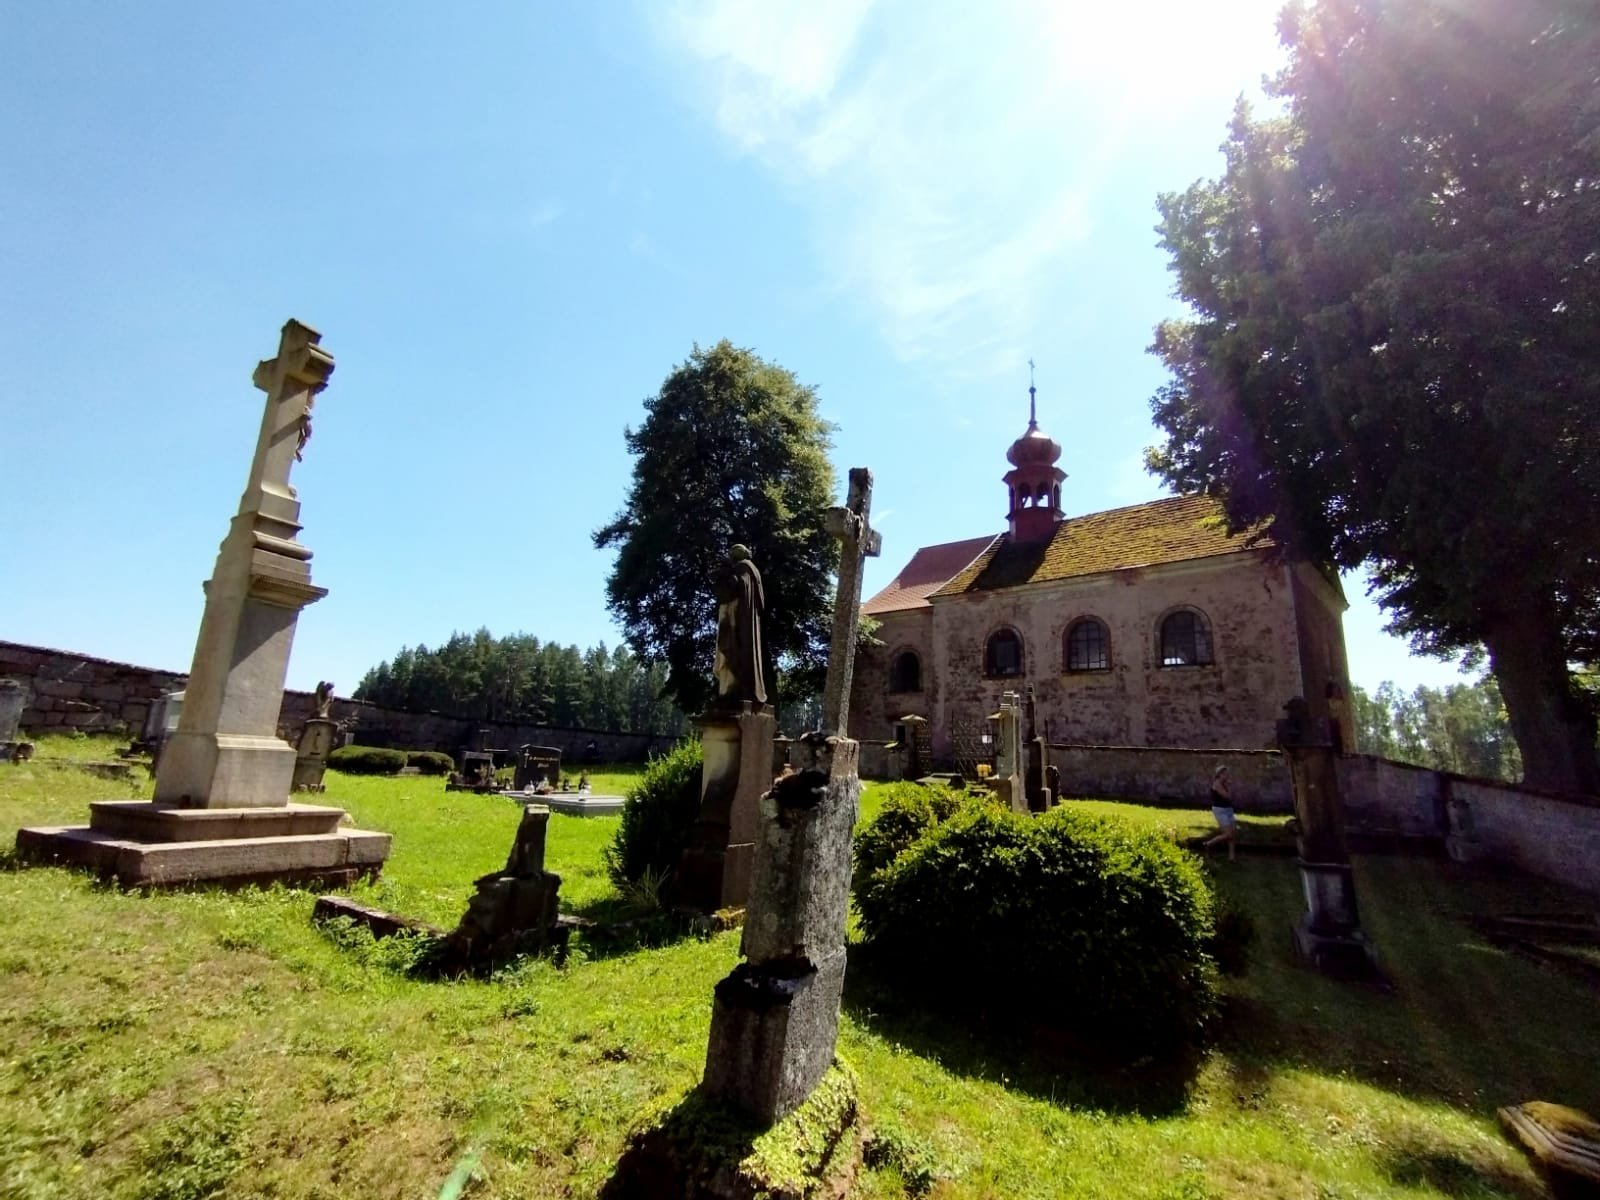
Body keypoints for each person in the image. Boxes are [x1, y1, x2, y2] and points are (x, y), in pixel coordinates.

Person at [1204, 764, 1237, 861]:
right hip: (1220, 810)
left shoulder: (1224, 784)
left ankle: (1231, 857)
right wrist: (1229, 787)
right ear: (1220, 774)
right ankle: (1208, 844)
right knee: (1228, 834)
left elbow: (1231, 798)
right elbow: (1227, 796)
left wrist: (1228, 786)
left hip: (1228, 809)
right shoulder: (1217, 784)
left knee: (1233, 834)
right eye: (1225, 774)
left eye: (1227, 773)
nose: (1227, 775)